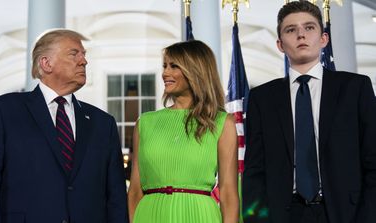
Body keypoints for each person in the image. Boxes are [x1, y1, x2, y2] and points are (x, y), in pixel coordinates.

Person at [242, 1, 376, 223]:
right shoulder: (262, 98)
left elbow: (372, 161)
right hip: (284, 214)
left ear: (324, 38)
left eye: (309, 27)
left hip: (345, 213)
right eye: (291, 30)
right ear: (280, 44)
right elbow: (255, 173)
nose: (301, 35)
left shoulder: (355, 88)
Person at [0, 29, 129, 223]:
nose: (84, 61)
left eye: (84, 55)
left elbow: (116, 198)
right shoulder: (3, 110)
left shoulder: (103, 123)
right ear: (46, 63)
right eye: (74, 53)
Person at [127, 40, 239, 223]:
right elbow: (135, 190)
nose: (165, 73)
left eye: (174, 66)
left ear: (196, 70)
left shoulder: (222, 123)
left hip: (200, 215)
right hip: (150, 215)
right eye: (164, 66)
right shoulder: (145, 123)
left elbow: (228, 193)